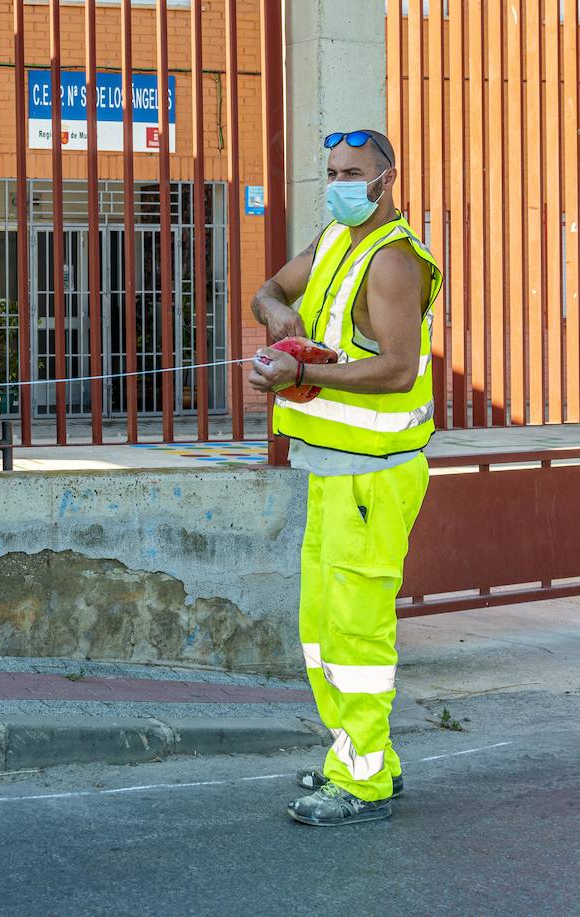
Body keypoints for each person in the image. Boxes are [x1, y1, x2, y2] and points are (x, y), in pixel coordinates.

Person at [249, 129, 440, 827]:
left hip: (373, 477)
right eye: (330, 170)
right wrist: (279, 317)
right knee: (322, 630)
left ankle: (359, 783)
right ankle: (363, 757)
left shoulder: (393, 262)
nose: (337, 183)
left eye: (351, 172)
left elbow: (395, 367)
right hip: (331, 471)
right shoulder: (335, 236)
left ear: (386, 182)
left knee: (357, 634)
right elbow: (268, 288)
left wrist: (300, 370)